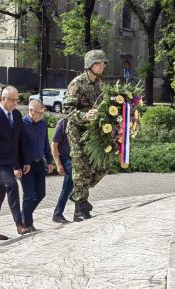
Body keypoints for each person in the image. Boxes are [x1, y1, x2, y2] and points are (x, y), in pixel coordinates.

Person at [63, 49, 110, 222]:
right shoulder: (77, 83)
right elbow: (66, 110)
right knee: (81, 169)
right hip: (77, 131)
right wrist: (84, 116)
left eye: (104, 63)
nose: (102, 66)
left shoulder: (100, 84)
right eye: (99, 63)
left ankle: (78, 194)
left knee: (102, 165)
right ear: (90, 65)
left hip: (93, 133)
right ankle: (79, 210)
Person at [0, 86, 31, 240]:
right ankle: (19, 224)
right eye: (13, 100)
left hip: (10, 161)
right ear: (3, 99)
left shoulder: (16, 115)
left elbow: (21, 140)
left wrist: (24, 161)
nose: (16, 103)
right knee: (12, 185)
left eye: (17, 100)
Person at [20, 99, 54, 231]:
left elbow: (46, 143)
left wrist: (49, 160)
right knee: (28, 195)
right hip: (26, 165)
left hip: (39, 163)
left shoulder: (43, 124)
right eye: (39, 113)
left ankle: (23, 216)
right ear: (31, 110)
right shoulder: (22, 124)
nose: (40, 116)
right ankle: (27, 223)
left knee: (40, 193)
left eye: (42, 113)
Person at [51, 116, 73, 224]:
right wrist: (58, 164)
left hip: (75, 157)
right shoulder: (63, 123)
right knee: (69, 181)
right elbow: (54, 145)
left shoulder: (80, 121)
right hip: (64, 156)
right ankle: (57, 214)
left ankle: (80, 204)